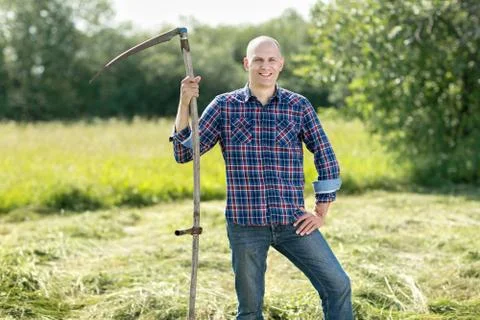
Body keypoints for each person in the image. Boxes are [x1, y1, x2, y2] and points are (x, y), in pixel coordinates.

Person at [170, 36, 353, 320]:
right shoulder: (224, 106)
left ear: (280, 64)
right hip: (245, 225)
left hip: (293, 221)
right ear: (247, 64)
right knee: (250, 311)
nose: (264, 66)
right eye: (258, 59)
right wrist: (184, 104)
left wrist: (321, 211)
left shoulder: (298, 106)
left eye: (270, 60)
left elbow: (326, 157)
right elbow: (184, 154)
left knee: (338, 284)